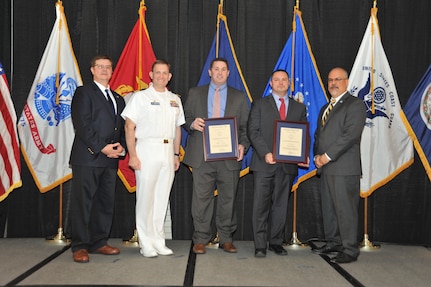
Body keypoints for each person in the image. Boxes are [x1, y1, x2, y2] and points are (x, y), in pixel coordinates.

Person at [183, 57, 250, 254]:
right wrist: (192, 124)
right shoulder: (195, 93)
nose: (220, 73)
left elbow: (245, 127)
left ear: (228, 73)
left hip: (228, 157)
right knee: (201, 199)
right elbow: (184, 117)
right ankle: (201, 238)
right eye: (216, 69)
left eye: (223, 70)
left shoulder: (239, 97)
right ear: (210, 72)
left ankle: (226, 238)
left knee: (228, 199)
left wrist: (242, 145)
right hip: (201, 155)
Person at [121, 59, 185, 258]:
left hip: (167, 151)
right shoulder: (140, 97)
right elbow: (129, 127)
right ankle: (145, 242)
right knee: (145, 199)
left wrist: (175, 154)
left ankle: (159, 240)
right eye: (158, 72)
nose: (161, 76)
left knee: (161, 198)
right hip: (147, 148)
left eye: (165, 73)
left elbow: (177, 128)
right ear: (151, 75)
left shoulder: (175, 99)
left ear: (170, 76)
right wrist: (133, 155)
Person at [69, 55, 126, 263]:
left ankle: (99, 242)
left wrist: (121, 148)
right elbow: (82, 125)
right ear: (92, 70)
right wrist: (102, 147)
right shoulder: (83, 92)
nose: (104, 70)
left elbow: (120, 128)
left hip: (110, 159)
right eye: (100, 67)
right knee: (83, 203)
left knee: (105, 202)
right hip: (88, 158)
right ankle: (80, 245)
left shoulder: (118, 98)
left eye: (108, 67)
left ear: (112, 71)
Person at [247, 69, 308, 258]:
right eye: (277, 80)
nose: (280, 83)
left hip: (287, 165)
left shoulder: (299, 108)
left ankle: (275, 241)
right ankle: (259, 244)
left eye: (284, 80)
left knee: (281, 205)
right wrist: (265, 152)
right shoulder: (259, 104)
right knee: (260, 205)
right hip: (264, 163)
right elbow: (253, 131)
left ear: (289, 83)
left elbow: (302, 134)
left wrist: (302, 154)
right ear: (271, 83)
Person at [312, 67, 366, 263]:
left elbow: (350, 136)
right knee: (330, 209)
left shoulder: (355, 105)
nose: (333, 83)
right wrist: (317, 156)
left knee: (345, 210)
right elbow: (319, 136)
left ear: (346, 81)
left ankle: (350, 249)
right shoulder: (325, 108)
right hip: (326, 168)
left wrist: (326, 156)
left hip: (344, 168)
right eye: (330, 80)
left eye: (338, 79)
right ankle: (333, 243)